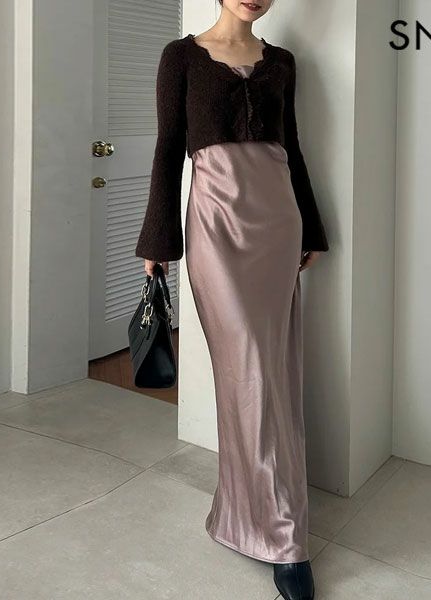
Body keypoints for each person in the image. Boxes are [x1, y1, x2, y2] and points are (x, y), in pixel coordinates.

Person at [134, 1, 329, 598]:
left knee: (274, 371)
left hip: (278, 225)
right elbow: (169, 147)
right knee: (245, 371)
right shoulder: (181, 57)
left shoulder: (283, 62)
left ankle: (266, 523)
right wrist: (159, 241)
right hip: (216, 227)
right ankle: (277, 534)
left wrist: (312, 228)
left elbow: (292, 147)